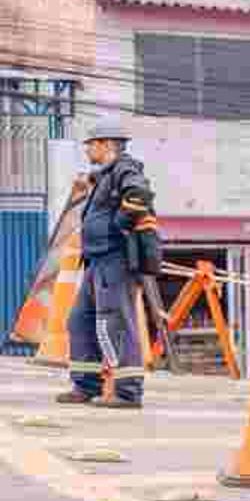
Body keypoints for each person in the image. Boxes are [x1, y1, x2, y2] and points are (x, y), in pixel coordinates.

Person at [57, 116, 157, 409]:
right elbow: (102, 185)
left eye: (91, 145)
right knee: (80, 320)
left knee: (114, 322)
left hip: (114, 258)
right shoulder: (107, 173)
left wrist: (117, 225)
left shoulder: (126, 168)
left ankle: (127, 392)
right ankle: (86, 385)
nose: (87, 151)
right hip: (96, 260)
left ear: (106, 144)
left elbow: (138, 195)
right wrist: (89, 181)